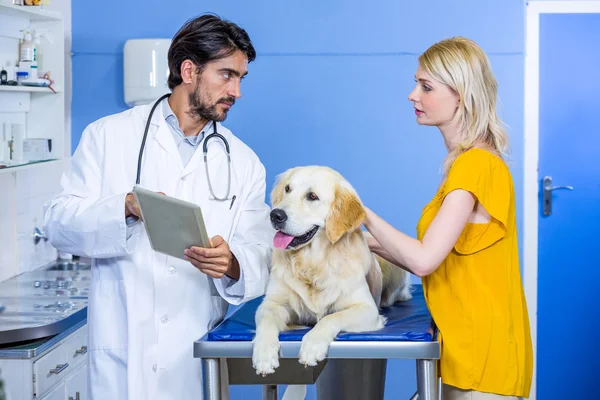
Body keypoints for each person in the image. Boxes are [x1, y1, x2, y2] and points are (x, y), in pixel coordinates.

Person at [43, 14, 273, 399]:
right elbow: (57, 222)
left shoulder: (244, 161)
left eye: (240, 78)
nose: (237, 91)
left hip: (195, 355)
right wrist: (124, 207)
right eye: (226, 75)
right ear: (188, 71)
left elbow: (261, 252)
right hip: (124, 351)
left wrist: (231, 263)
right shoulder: (108, 136)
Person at [363, 37, 533, 399]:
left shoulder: (475, 166)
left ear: (462, 95)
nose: (413, 95)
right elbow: (431, 255)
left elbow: (422, 260)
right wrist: (356, 239)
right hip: (467, 351)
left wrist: (357, 211)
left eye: (426, 86)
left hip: (482, 361)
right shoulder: (469, 163)